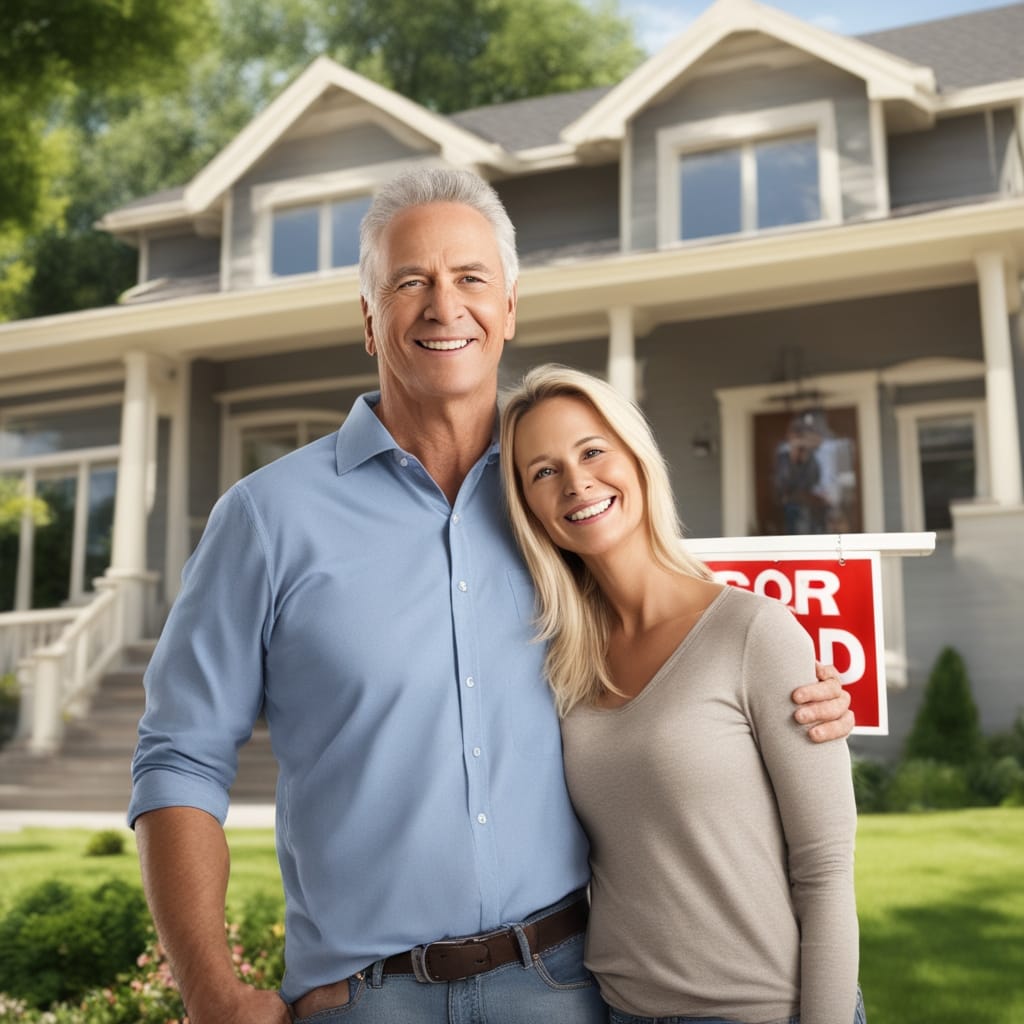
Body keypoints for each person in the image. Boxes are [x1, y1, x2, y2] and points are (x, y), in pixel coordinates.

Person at [128, 167, 854, 1024]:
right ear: (369, 319)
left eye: (471, 278)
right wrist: (211, 990)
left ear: (509, 307)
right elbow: (180, 756)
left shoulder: (560, 501)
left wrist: (796, 688)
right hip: (365, 1000)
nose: (444, 306)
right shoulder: (265, 518)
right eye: (410, 282)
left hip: (572, 985)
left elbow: (677, 621)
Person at [500, 364, 864, 1024]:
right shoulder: (563, 668)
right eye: (543, 471)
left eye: (591, 450)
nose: (577, 481)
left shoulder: (753, 632)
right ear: (529, 507)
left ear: (636, 459)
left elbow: (827, 869)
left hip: (761, 1011)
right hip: (621, 1009)